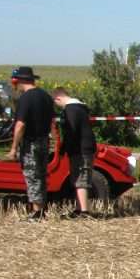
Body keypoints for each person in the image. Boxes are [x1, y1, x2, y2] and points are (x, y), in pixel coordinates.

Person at [6, 66, 56, 220]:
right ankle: (41, 209)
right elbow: (52, 121)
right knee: (41, 175)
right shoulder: (46, 96)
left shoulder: (26, 98)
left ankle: (37, 212)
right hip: (44, 142)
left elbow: (20, 125)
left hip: (31, 143)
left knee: (32, 176)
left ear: (19, 81)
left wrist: (14, 148)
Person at [52, 88, 96, 217]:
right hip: (83, 148)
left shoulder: (70, 110)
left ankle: (84, 211)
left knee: (81, 179)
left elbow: (72, 131)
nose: (57, 106)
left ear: (58, 98)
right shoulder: (80, 108)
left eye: (56, 102)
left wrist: (64, 148)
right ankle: (79, 208)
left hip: (80, 150)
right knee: (77, 177)